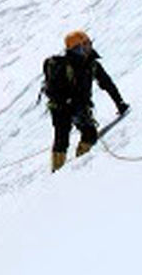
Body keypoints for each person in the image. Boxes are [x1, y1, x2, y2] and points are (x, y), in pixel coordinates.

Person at [41, 30, 129, 172]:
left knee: (89, 134)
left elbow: (107, 83)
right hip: (61, 108)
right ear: (77, 48)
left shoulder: (92, 64)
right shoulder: (64, 67)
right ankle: (57, 172)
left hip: (78, 106)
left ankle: (80, 165)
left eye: (89, 44)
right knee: (62, 139)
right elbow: (55, 92)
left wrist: (119, 102)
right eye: (86, 44)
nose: (89, 47)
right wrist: (69, 104)